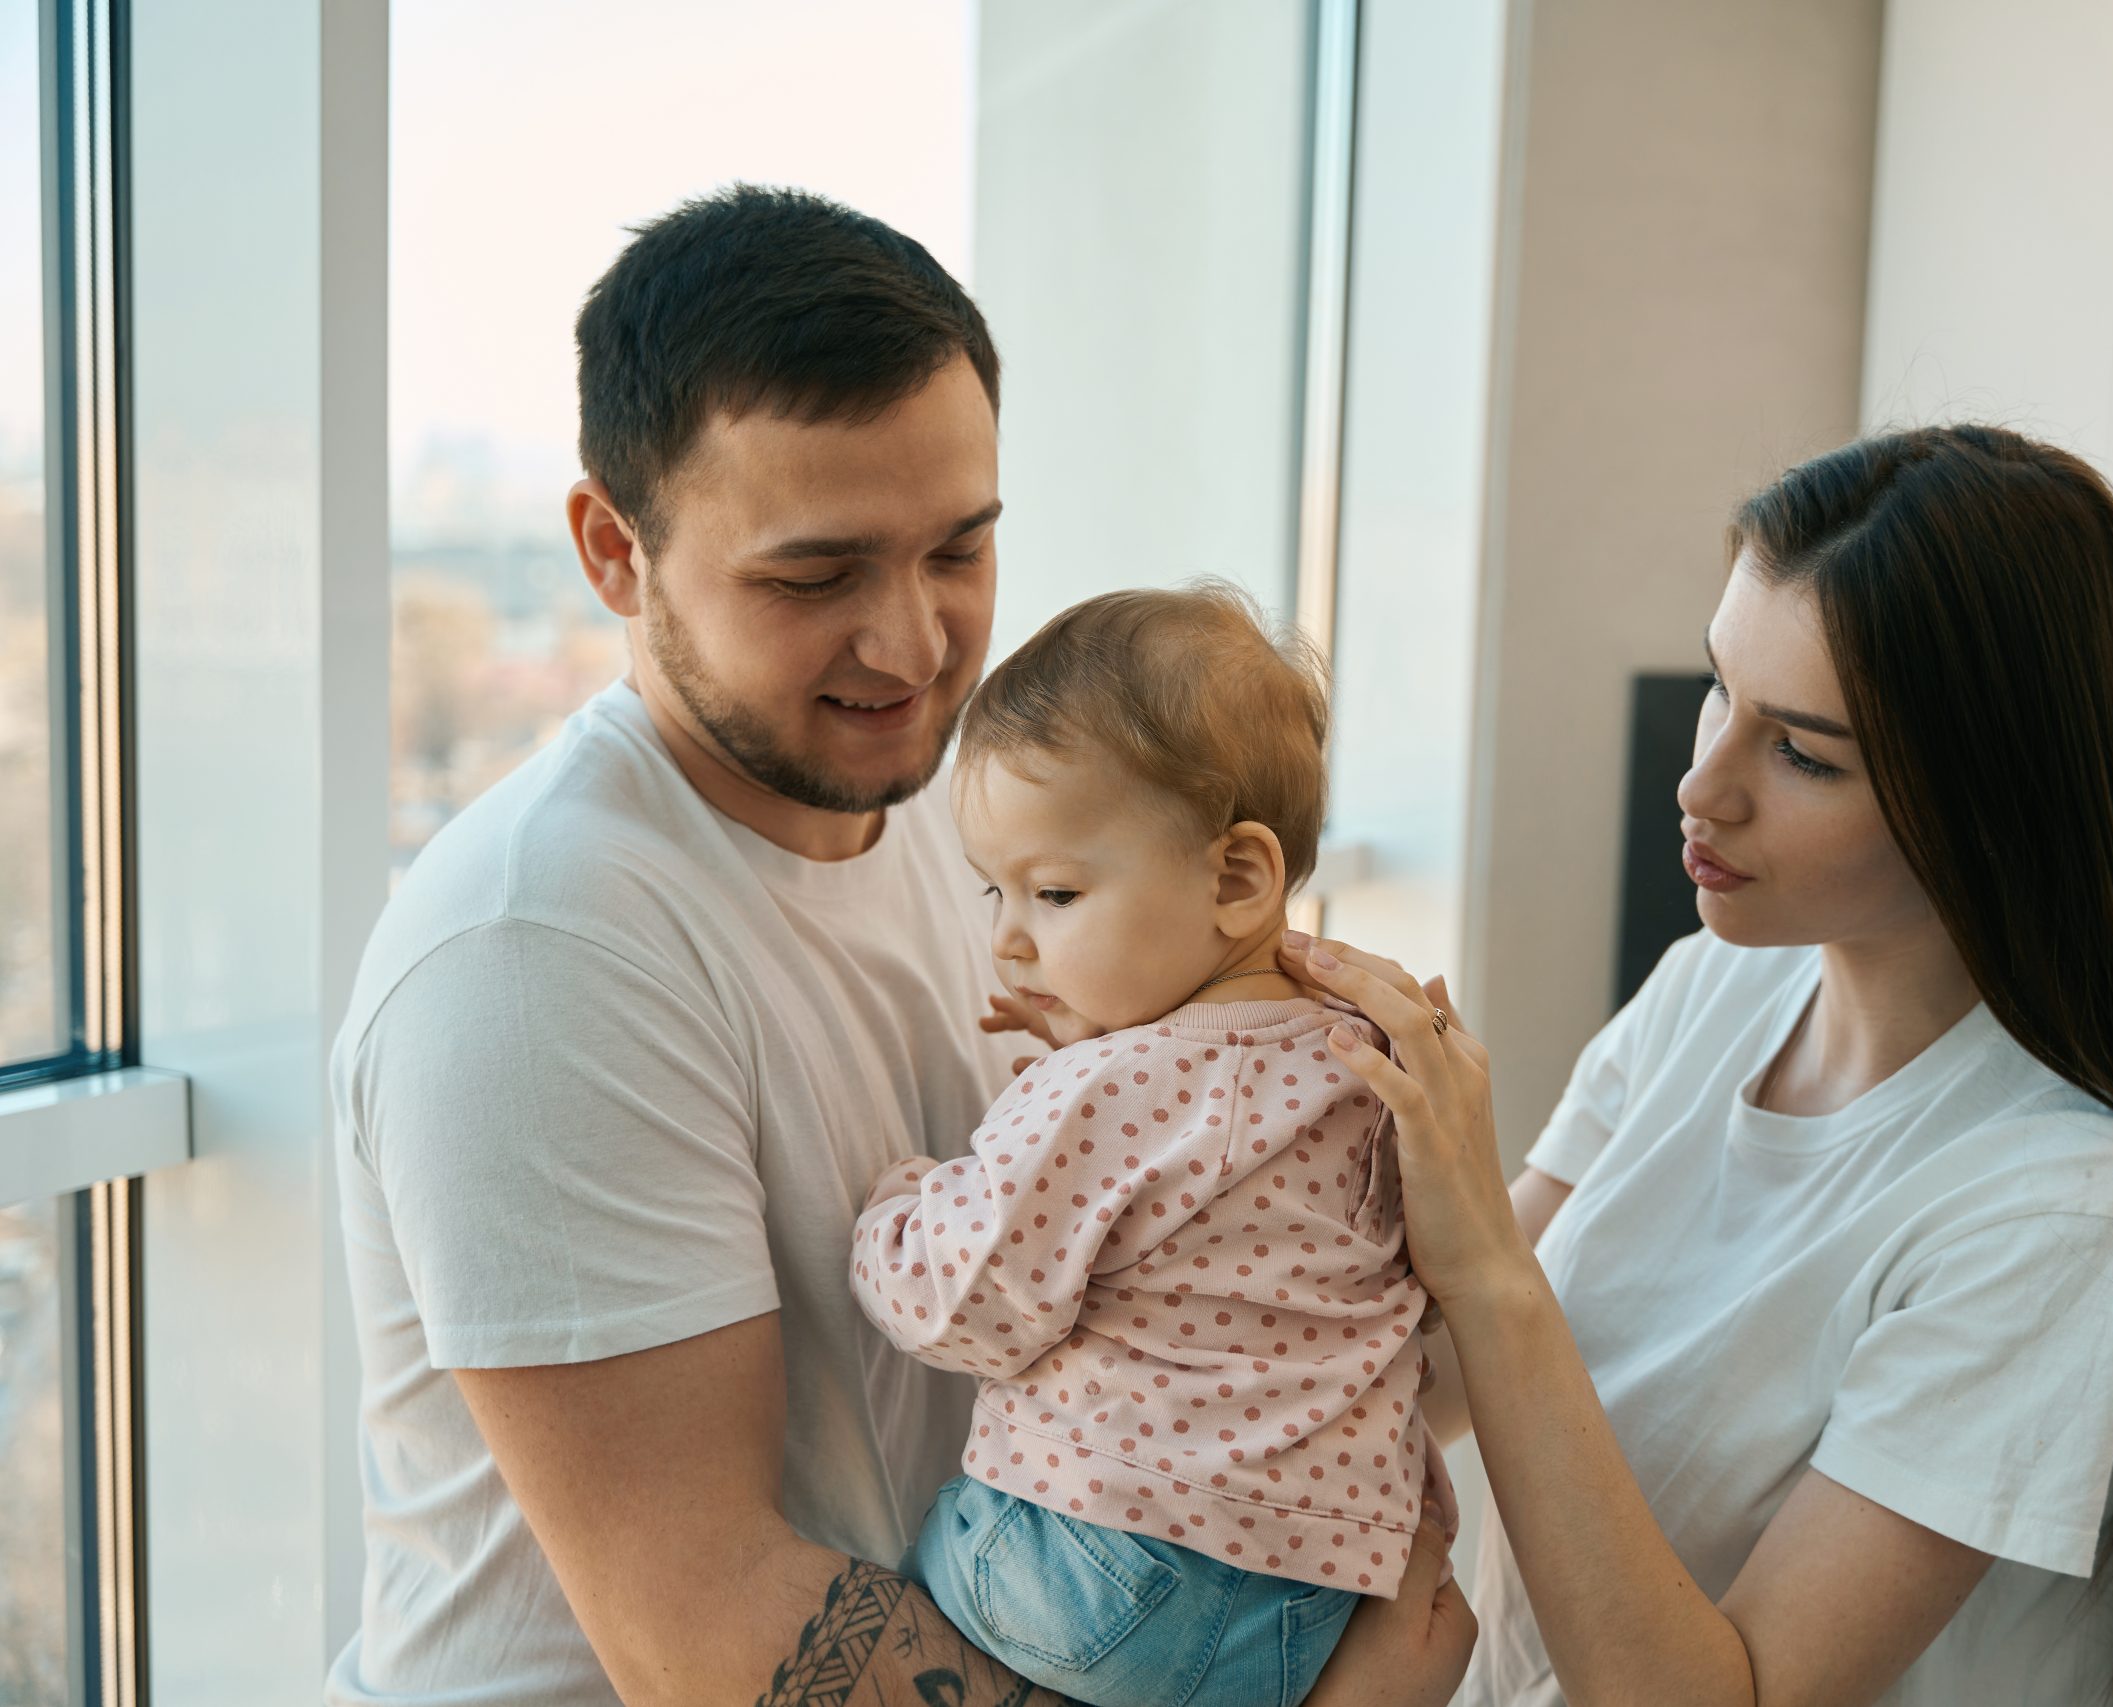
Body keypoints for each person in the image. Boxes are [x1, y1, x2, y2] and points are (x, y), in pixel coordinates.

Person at [328, 186, 1470, 1707]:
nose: (917, 645)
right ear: (614, 549)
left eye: (960, 549)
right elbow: (712, 1626)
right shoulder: (534, 952)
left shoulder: (990, 831)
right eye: (815, 577)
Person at [1280, 425, 2113, 1707]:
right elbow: (1438, 1378)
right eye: (1716, 689)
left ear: (1987, 798)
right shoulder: (1721, 984)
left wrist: (1479, 1261)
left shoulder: (2060, 1216)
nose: (1702, 784)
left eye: (1801, 753)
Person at [854, 583, 1452, 1707]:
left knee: (893, 1582)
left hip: (1096, 1577)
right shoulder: (1366, 1057)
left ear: (1236, 880)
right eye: (998, 892)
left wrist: (901, 1200)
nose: (1013, 941)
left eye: (1057, 891)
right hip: (1311, 1612)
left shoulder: (1109, 1086)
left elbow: (960, 1303)